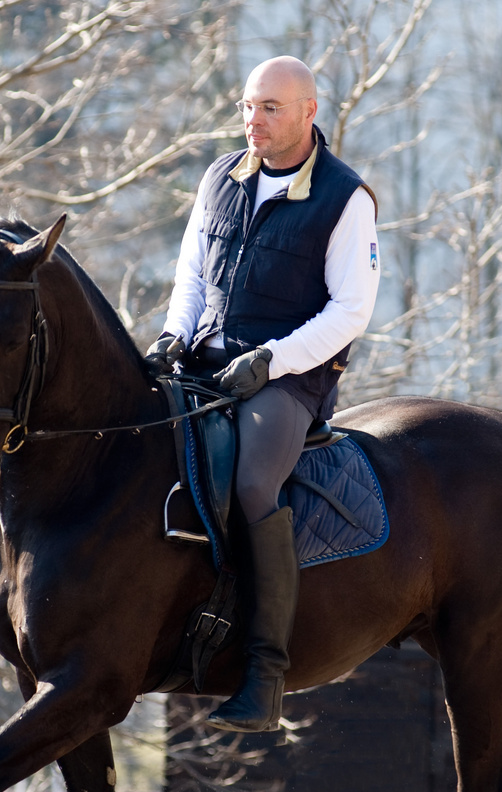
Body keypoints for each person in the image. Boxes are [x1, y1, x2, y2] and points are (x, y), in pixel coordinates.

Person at [146, 56, 380, 733]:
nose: (254, 119)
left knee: (253, 484)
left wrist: (272, 361)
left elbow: (350, 311)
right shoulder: (219, 177)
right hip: (203, 359)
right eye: (248, 106)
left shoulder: (346, 198)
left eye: (270, 108)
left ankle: (265, 673)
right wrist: (171, 335)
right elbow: (192, 275)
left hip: (289, 380)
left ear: (309, 112)